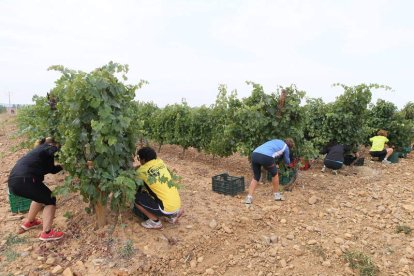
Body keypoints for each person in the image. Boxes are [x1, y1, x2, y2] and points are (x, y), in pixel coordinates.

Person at [7, 137, 64, 241]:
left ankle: (30, 222)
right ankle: (47, 233)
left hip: (14, 183)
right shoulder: (47, 148)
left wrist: (63, 166)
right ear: (52, 144)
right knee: (50, 199)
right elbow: (51, 150)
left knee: (40, 197)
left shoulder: (38, 153)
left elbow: (51, 169)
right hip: (25, 180)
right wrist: (62, 150)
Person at [133, 147, 183, 229]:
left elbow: (136, 184)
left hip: (166, 208)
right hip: (177, 205)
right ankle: (172, 215)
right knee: (159, 191)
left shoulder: (141, 172)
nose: (139, 161)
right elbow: (149, 167)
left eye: (139, 158)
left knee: (135, 197)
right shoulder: (160, 162)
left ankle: (155, 221)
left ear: (143, 160)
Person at [244, 138, 294, 204]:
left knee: (256, 177)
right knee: (275, 174)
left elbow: (271, 151)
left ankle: (249, 197)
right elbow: (287, 162)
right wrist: (290, 161)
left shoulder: (277, 141)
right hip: (266, 157)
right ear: (290, 146)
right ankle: (277, 195)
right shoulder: (286, 147)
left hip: (255, 154)